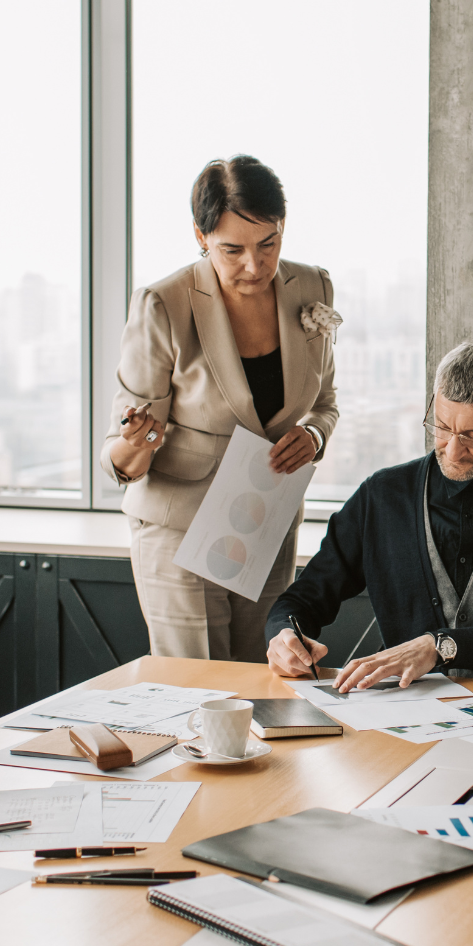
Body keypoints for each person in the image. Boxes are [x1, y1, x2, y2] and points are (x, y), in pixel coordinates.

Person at [100, 156, 339, 664]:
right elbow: (119, 459)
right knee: (200, 689)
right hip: (180, 529)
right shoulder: (163, 304)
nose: (253, 266)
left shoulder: (313, 286)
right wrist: (137, 441)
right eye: (232, 250)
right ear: (200, 235)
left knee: (267, 680)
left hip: (266, 517)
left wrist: (314, 436)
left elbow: (325, 402)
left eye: (268, 244)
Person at [263, 341, 473, 689]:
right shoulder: (381, 496)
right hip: (407, 710)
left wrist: (439, 646)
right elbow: (303, 598)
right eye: (442, 427)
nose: (453, 450)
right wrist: (284, 635)